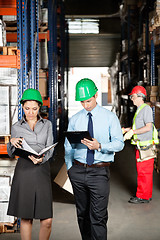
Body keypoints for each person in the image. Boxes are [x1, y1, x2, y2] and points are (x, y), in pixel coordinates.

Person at [64, 78, 124, 240]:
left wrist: (100, 146)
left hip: (99, 172)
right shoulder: (76, 119)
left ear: (96, 95)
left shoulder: (110, 117)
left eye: (88, 101)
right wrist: (70, 169)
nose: (86, 105)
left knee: (98, 217)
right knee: (82, 214)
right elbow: (68, 146)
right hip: (77, 171)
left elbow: (119, 144)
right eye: (82, 102)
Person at [7, 88, 54, 240]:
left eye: (34, 109)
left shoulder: (47, 125)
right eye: (27, 108)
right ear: (22, 107)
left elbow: (50, 148)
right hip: (24, 172)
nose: (31, 112)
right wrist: (11, 142)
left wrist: (42, 158)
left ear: (39, 107)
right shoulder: (16, 127)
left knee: (47, 220)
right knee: (26, 217)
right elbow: (11, 153)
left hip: (42, 171)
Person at [123, 85, 159, 204]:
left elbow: (148, 127)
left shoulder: (146, 109)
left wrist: (132, 132)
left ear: (140, 96)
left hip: (145, 147)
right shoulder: (139, 110)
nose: (131, 98)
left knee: (144, 172)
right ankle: (145, 194)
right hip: (140, 146)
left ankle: (143, 196)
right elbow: (138, 127)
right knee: (143, 172)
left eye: (133, 96)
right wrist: (127, 129)